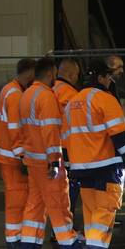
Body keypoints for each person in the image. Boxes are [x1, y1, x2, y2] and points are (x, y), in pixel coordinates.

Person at [61, 59, 125, 249]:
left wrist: (69, 165)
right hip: (106, 166)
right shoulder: (106, 99)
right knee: (105, 210)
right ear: (101, 78)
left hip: (81, 168)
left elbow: (65, 140)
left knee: (91, 211)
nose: (111, 80)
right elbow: (120, 136)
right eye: (108, 76)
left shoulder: (72, 103)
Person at [17, 58, 83, 249]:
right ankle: (69, 247)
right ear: (50, 73)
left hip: (33, 160)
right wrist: (55, 161)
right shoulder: (46, 97)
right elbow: (50, 132)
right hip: (47, 162)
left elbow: (25, 130)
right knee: (58, 203)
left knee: (35, 205)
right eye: (55, 73)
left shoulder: (26, 95)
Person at [0, 58, 36, 249]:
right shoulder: (16, 95)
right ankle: (14, 239)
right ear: (29, 72)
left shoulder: (9, 89)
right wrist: (22, 155)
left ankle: (14, 238)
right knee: (17, 198)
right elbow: (16, 129)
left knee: (15, 197)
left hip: (5, 153)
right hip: (12, 156)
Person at [53, 58, 83, 232]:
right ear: (71, 75)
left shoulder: (49, 90)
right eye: (77, 75)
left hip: (49, 148)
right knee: (70, 188)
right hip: (67, 148)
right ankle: (65, 229)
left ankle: (58, 228)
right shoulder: (71, 94)